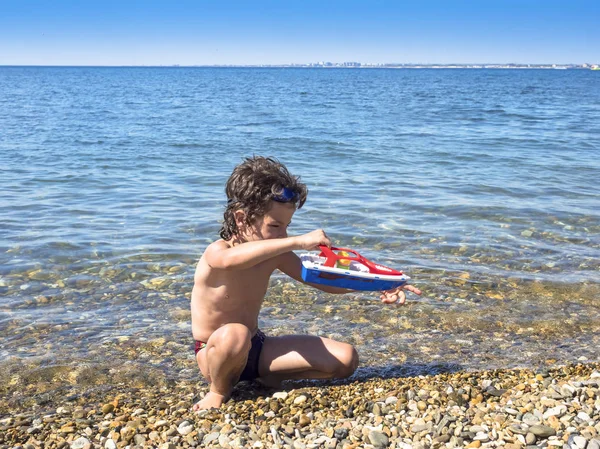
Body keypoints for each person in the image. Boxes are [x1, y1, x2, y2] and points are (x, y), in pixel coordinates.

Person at [191, 156, 421, 410]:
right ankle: (218, 391)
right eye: (275, 225)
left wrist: (381, 285)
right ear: (241, 219)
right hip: (216, 351)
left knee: (346, 360)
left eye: (288, 226)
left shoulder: (276, 254)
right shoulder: (217, 252)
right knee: (236, 333)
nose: (284, 234)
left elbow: (324, 281)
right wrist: (298, 241)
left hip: (256, 348)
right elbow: (229, 260)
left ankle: (270, 375)